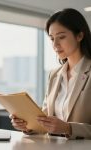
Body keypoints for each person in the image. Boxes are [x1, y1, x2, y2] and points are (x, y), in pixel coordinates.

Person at [9, 8, 91, 139]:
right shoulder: (54, 75)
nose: (55, 44)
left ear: (79, 36)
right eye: (52, 38)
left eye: (61, 37)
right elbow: (44, 120)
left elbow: (66, 127)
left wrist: (68, 128)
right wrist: (27, 125)